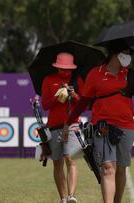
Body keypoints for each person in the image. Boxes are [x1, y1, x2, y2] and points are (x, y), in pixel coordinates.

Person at [62, 40, 134, 203]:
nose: (128, 56)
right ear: (114, 54)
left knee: (121, 168)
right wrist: (68, 123)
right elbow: (83, 102)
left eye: (129, 53)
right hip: (102, 127)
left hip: (127, 127)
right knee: (107, 168)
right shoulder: (95, 74)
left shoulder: (131, 75)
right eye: (125, 53)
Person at [41, 52, 85, 203]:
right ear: (56, 67)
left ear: (72, 69)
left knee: (70, 158)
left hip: (73, 125)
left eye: (67, 69)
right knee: (57, 162)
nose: (64, 72)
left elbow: (83, 105)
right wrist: (57, 97)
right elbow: (45, 105)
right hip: (54, 126)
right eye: (61, 68)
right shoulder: (48, 80)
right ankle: (63, 199)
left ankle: (71, 196)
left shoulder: (77, 80)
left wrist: (74, 95)